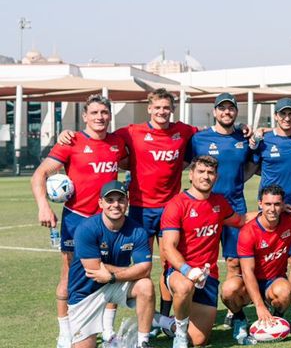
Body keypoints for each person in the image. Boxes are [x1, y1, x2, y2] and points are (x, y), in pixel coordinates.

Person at [56, 88, 196, 330]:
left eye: (166, 107)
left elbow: (208, 135)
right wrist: (65, 134)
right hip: (139, 208)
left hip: (170, 208)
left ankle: (163, 319)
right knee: (130, 265)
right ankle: (112, 325)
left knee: (168, 263)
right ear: (149, 108)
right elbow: (108, 145)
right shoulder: (130, 133)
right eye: (157, 107)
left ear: (172, 110)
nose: (162, 111)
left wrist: (252, 131)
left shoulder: (184, 131)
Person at [32, 94, 126, 348]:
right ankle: (65, 331)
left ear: (109, 116)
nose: (99, 117)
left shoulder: (118, 142)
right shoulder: (71, 142)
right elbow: (40, 174)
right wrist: (43, 206)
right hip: (77, 219)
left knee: (112, 274)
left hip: (109, 220)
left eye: (104, 113)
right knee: (69, 273)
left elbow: (134, 159)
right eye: (94, 113)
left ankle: (108, 330)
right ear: (85, 116)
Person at [64, 181, 159, 348]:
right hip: (85, 292)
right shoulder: (86, 229)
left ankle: (143, 344)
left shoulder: (138, 230)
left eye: (120, 200)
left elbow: (145, 269)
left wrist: (114, 276)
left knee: (145, 285)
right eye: (110, 200)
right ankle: (80, 331)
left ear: (127, 202)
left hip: (113, 283)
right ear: (101, 203)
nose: (115, 205)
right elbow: (94, 269)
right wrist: (131, 271)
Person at [159, 156, 243, 348]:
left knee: (200, 340)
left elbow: (239, 221)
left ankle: (161, 321)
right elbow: (168, 248)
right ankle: (179, 333)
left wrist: (270, 212)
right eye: (201, 172)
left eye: (210, 173)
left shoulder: (219, 203)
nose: (206, 176)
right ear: (191, 175)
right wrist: (188, 270)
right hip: (181, 273)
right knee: (185, 286)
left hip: (208, 277)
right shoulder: (177, 204)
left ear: (216, 177)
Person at [191, 94, 257, 299]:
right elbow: (186, 166)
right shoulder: (198, 138)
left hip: (235, 206)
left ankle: (232, 308)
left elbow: (251, 166)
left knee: (234, 260)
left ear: (236, 112)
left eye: (230, 108)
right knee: (199, 259)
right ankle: (197, 304)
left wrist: (236, 182)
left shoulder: (243, 138)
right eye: (222, 108)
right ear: (215, 111)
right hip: (204, 207)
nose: (226, 112)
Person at [224, 184, 291, 343]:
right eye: (268, 204)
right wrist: (259, 306)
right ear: (260, 204)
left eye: (277, 204)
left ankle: (274, 321)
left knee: (284, 291)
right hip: (249, 281)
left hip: (273, 281)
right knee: (228, 290)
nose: (272, 209)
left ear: (283, 205)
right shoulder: (248, 232)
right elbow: (247, 272)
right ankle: (240, 320)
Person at [252, 97, 291, 216]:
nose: (287, 118)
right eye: (283, 114)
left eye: (290, 113)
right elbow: (252, 168)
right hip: (271, 202)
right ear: (275, 116)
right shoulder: (264, 139)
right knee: (271, 235)